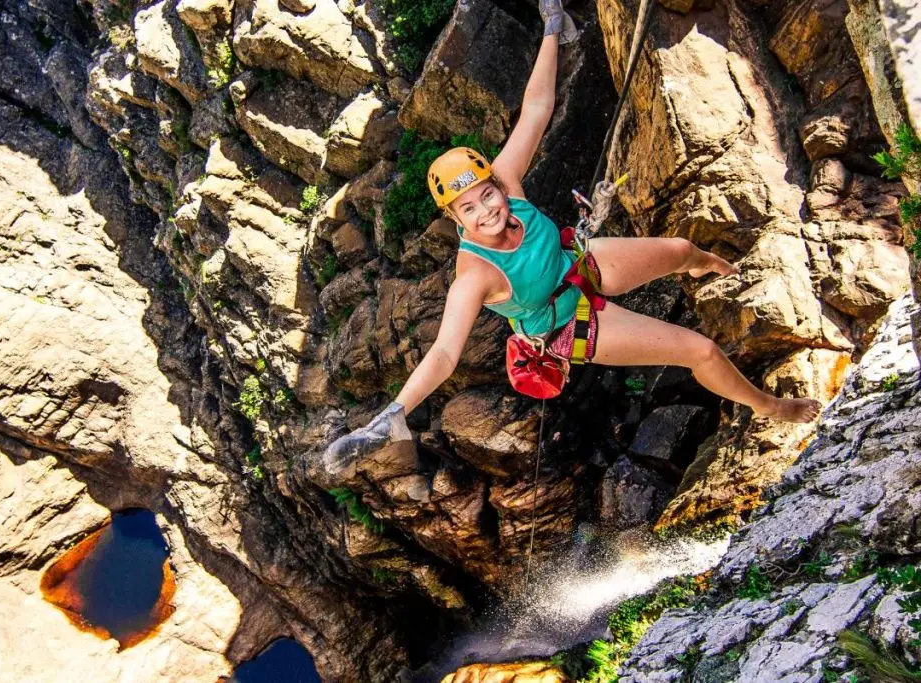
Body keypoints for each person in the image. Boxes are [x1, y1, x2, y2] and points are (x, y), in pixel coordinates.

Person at [323, 0, 821, 473]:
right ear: (457, 221)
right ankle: (768, 405)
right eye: (469, 209)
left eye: (487, 196)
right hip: (571, 324)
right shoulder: (473, 276)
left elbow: (537, 107)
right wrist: (393, 412)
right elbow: (446, 354)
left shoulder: (509, 183)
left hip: (578, 262)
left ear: (498, 186)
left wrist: (551, 27)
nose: (487, 212)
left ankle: (707, 264)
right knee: (701, 351)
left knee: (682, 251)